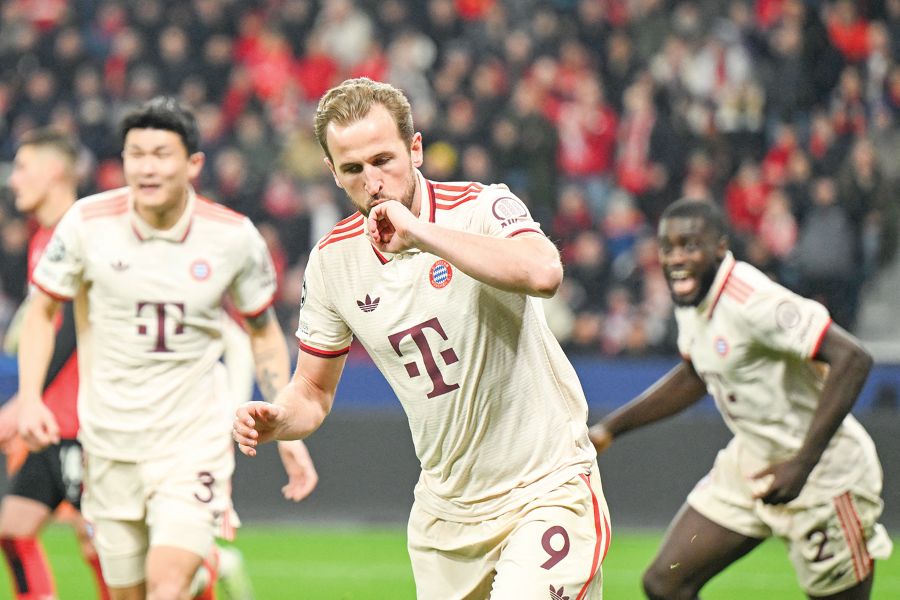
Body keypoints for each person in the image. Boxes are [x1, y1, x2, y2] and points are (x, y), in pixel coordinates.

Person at [233, 77, 611, 598]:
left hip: (545, 488)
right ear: (332, 172)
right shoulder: (332, 263)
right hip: (446, 514)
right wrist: (281, 419)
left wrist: (419, 233)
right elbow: (313, 392)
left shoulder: (481, 207)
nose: (373, 181)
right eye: (352, 169)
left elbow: (543, 272)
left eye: (383, 160)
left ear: (415, 149)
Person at [15, 97, 317, 600]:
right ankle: (204, 575)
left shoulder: (232, 237)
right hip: (108, 444)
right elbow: (42, 313)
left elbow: (263, 330)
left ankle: (189, 574)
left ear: (193, 164)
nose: (147, 167)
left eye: (161, 154)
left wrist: (284, 422)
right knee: (128, 591)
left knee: (166, 585)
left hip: (190, 443)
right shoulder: (87, 223)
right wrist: (29, 398)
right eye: (136, 155)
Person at [588, 198, 892, 599]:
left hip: (824, 473)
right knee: (665, 583)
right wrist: (610, 429)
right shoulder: (694, 297)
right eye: (668, 247)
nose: (676, 258)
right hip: (753, 461)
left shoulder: (752, 299)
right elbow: (695, 375)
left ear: (720, 246)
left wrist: (802, 464)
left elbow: (853, 359)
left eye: (690, 245)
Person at [0, 129, 110, 599]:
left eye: (23, 168)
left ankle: (203, 573)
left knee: (104, 544)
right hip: (51, 420)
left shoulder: (83, 232)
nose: (14, 179)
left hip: (86, 421)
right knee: (14, 529)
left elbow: (70, 330)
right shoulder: (41, 238)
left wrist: (24, 400)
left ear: (56, 172)